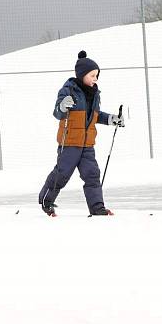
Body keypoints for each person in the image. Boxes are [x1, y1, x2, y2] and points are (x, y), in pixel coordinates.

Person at [38, 51, 124, 217]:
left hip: (87, 144)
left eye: (97, 76)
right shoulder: (68, 90)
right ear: (82, 74)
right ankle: (46, 201)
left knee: (92, 175)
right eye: (92, 75)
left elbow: (95, 116)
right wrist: (63, 106)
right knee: (62, 174)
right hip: (69, 143)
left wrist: (112, 119)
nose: (95, 79)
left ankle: (97, 208)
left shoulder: (94, 94)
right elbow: (57, 113)